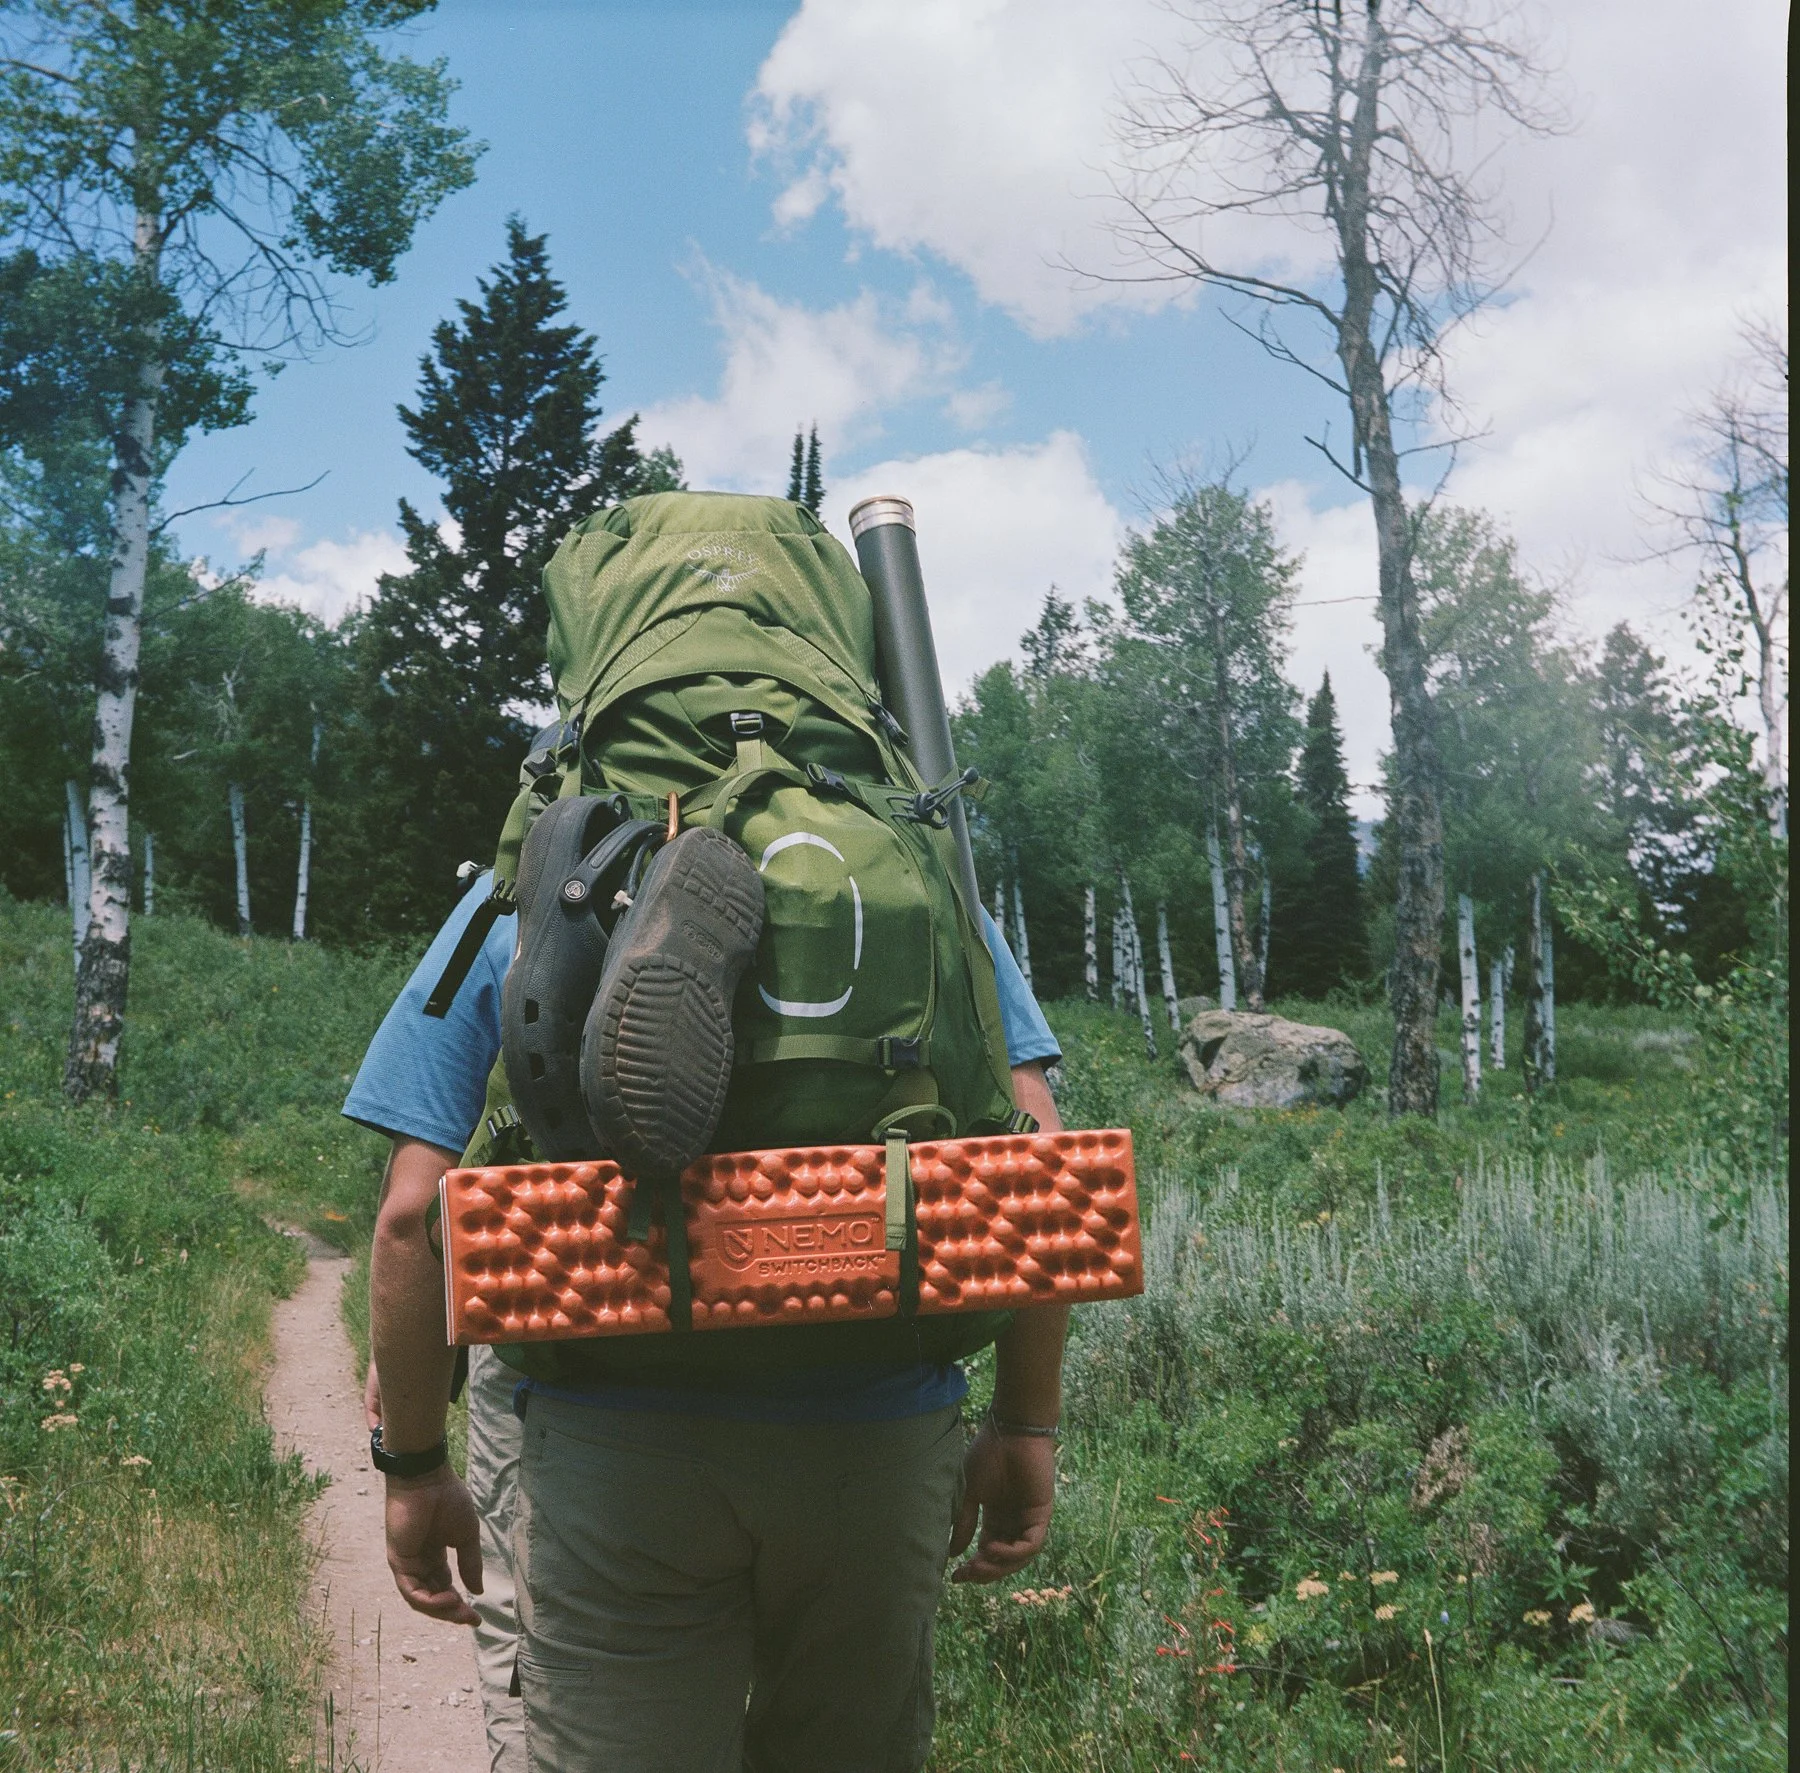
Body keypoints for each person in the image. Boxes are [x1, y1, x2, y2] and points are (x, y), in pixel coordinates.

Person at [344, 865, 1067, 1773]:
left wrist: (412, 1464)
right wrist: (1025, 1423)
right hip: (875, 1434)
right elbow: (1043, 1173)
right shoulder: (914, 878)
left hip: (610, 1444)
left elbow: (413, 1216)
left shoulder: (533, 879)